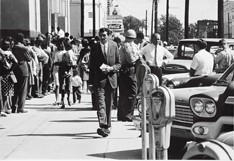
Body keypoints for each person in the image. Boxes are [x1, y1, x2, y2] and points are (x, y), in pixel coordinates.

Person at [89, 28, 121, 137]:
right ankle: (103, 125)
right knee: (100, 103)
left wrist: (111, 68)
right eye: (101, 35)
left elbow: (119, 64)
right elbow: (92, 66)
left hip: (111, 79)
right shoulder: (94, 47)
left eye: (104, 35)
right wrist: (90, 82)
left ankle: (107, 126)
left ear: (109, 35)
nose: (102, 37)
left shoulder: (114, 46)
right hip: (99, 79)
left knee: (108, 104)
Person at [118, 29, 140, 122]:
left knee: (124, 93)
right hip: (129, 69)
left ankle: (123, 115)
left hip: (125, 69)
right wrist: (138, 57)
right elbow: (131, 60)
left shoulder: (127, 45)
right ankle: (128, 115)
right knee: (132, 92)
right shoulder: (128, 46)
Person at [11, 33, 32, 113]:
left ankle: (14, 106)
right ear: (22, 39)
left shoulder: (13, 47)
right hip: (23, 69)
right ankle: (20, 108)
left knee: (15, 88)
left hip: (15, 69)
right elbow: (29, 59)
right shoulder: (24, 48)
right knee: (23, 89)